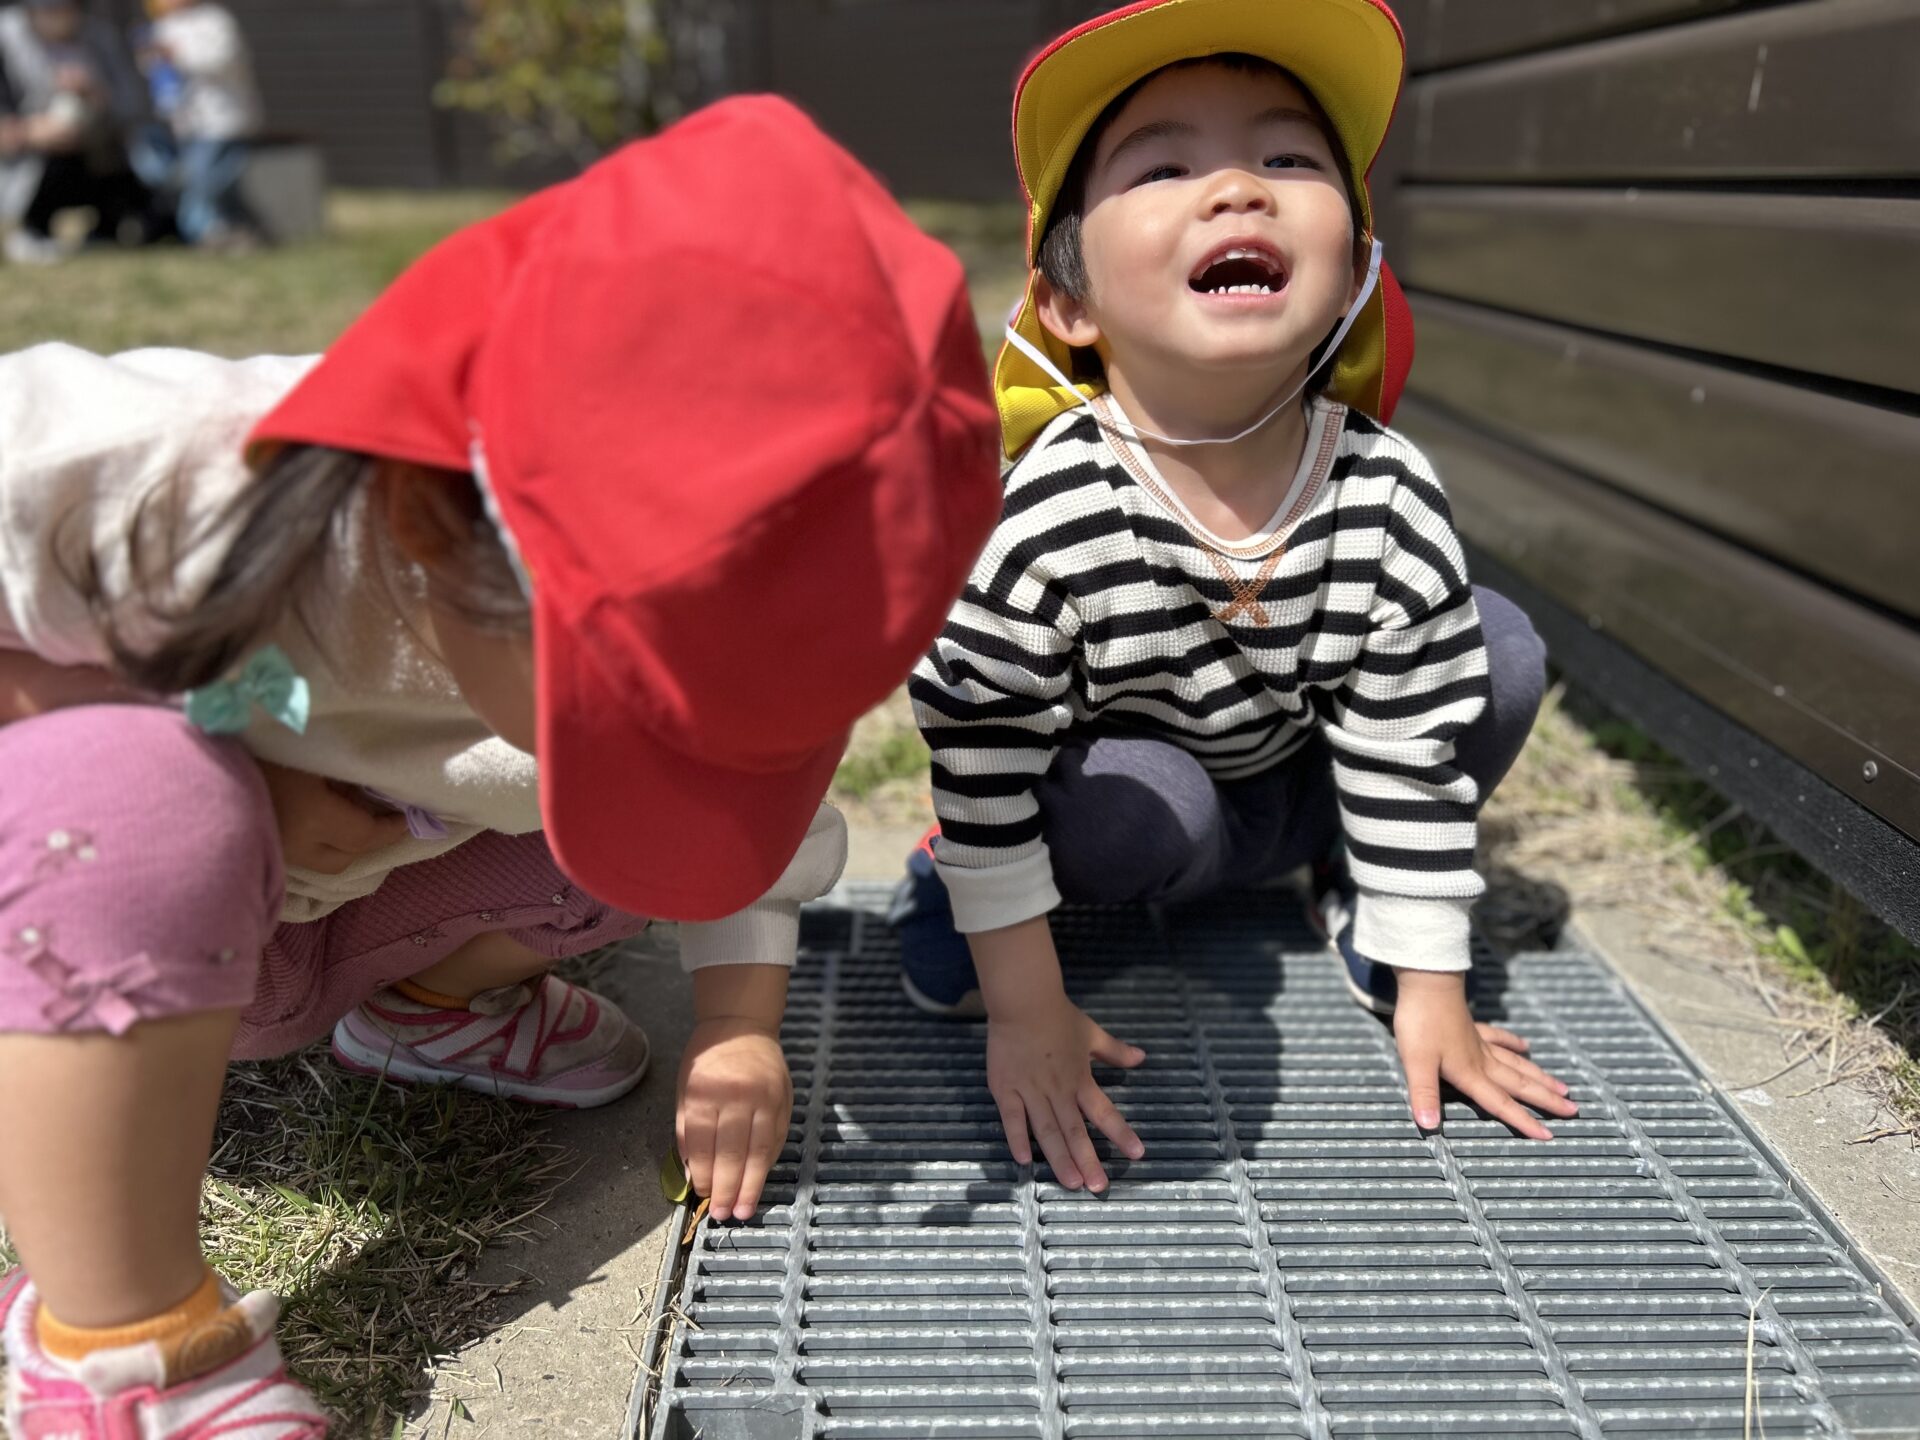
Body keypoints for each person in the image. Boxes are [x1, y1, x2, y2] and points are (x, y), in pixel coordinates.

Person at [0, 94, 1001, 1436]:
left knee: (634, 853)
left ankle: (424, 1013)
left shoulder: (668, 615)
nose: (677, 756)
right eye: (629, 717)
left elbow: (761, 845)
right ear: (435, 523)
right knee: (148, 796)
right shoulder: (160, 476)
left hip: (328, 934)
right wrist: (216, 761)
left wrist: (737, 1031)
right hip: (120, 931)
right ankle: (124, 1349)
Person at [893, 0, 1580, 1196]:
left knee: (1500, 648)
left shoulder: (1386, 490)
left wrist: (1436, 986)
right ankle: (955, 896)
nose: (1238, 189)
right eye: (1164, 167)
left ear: (1357, 266)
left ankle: (1358, 896)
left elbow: (1412, 747)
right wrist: (1026, 1006)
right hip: (1140, 802)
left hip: (1304, 778)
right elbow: (986, 744)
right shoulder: (1044, 514)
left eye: (1289, 158)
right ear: (1068, 305)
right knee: (1134, 804)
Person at [0, 0, 149, 263]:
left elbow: (136, 104)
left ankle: (106, 227)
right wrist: (28, 132)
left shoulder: (99, 37)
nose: (60, 16)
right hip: (26, 160)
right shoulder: (7, 39)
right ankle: (29, 229)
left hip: (94, 149)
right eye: (49, 10)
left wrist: (97, 96)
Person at [131, 0, 263, 248]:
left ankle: (204, 232)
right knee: (201, 181)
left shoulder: (213, 20)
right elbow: (154, 70)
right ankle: (224, 228)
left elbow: (223, 59)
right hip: (184, 124)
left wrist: (176, 55)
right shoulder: (162, 26)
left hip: (221, 121)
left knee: (204, 182)